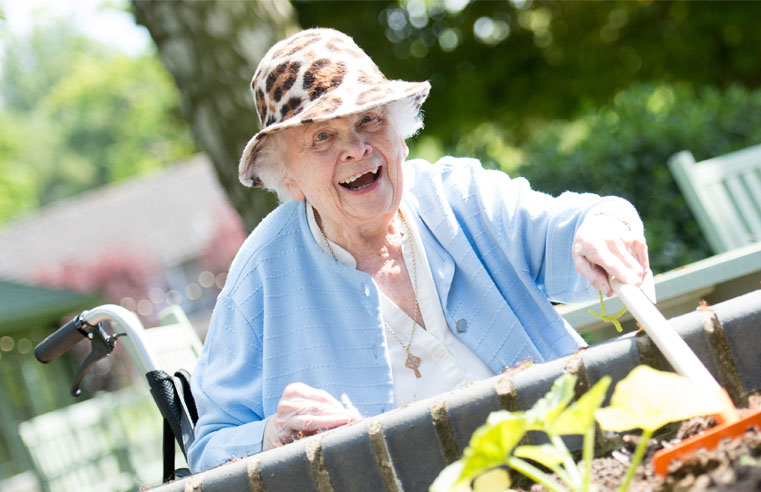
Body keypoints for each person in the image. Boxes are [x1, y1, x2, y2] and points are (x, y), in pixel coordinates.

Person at [187, 27, 651, 472]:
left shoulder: (459, 196)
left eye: (369, 119)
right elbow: (209, 447)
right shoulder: (261, 273)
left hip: (571, 465)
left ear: (399, 132)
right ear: (287, 176)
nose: (356, 148)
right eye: (322, 137)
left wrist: (601, 224)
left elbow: (567, 225)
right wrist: (271, 436)